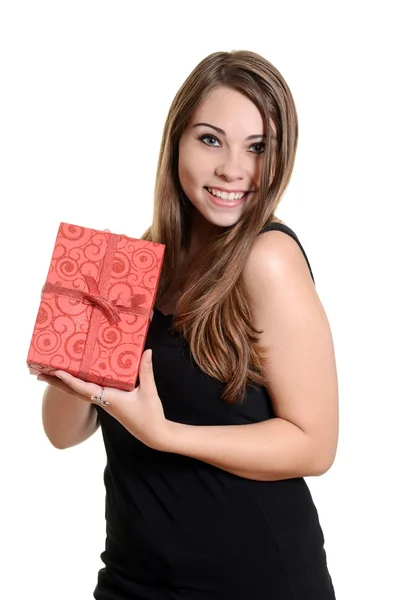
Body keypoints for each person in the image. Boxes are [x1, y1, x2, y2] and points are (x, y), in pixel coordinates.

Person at [39, 50, 339, 599]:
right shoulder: (127, 264)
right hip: (133, 577)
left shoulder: (266, 258)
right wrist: (71, 347)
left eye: (258, 148)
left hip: (252, 582)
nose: (233, 169)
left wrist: (165, 435)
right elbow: (63, 433)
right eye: (210, 139)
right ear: (175, 140)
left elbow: (314, 445)